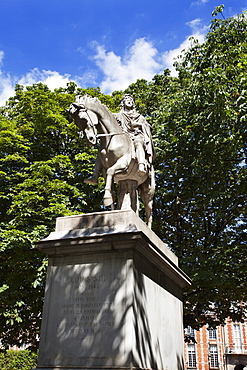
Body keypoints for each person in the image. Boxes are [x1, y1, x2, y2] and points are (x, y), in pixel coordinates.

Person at [114, 94, 155, 176]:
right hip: (123, 136)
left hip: (136, 135)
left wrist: (138, 125)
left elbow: (148, 127)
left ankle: (141, 165)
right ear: (123, 103)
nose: (129, 100)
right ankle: (97, 172)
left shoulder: (140, 117)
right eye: (126, 99)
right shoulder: (118, 116)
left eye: (130, 99)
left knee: (138, 142)